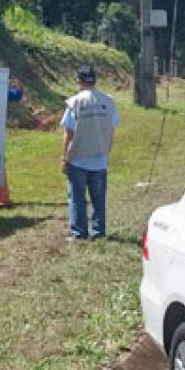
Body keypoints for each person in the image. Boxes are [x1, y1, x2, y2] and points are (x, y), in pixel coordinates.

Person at [61, 65, 120, 241]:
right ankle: (99, 232)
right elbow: (112, 126)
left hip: (79, 158)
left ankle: (79, 233)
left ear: (79, 81)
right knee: (99, 198)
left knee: (78, 198)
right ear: (95, 80)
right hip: (100, 158)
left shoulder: (75, 103)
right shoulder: (108, 101)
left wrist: (64, 157)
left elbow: (68, 133)